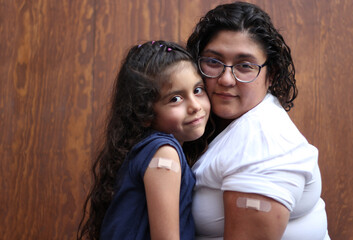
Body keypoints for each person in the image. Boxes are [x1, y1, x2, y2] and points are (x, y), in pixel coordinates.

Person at [186, 2, 330, 240]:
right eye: (213, 61)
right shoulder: (216, 124)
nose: (226, 79)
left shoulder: (262, 140)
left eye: (244, 66)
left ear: (270, 74)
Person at [77, 40, 212, 240]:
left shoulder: (148, 148)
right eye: (175, 99)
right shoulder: (164, 152)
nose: (195, 106)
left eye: (198, 90)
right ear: (145, 114)